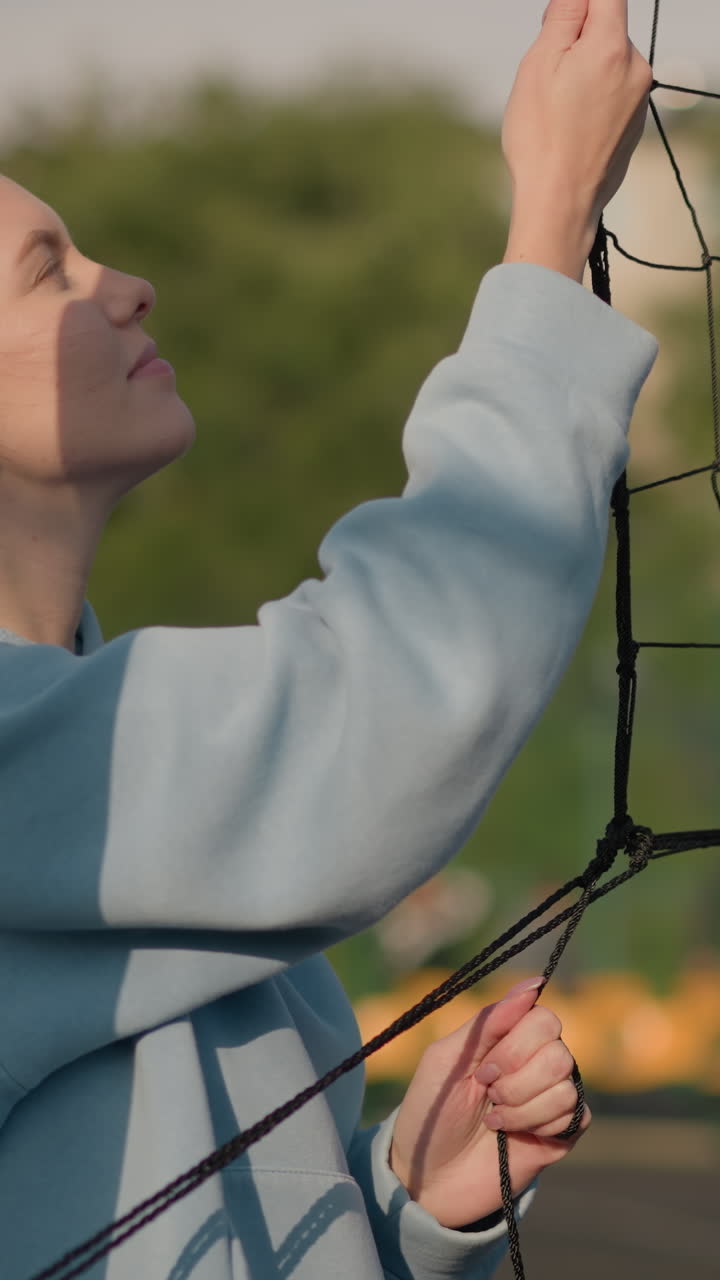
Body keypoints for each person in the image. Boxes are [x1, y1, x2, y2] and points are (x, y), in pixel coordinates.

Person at [0, 1, 656, 1277]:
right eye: (45, 269)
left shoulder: (119, 778)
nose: (124, 287)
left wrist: (404, 1202)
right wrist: (551, 225)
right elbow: (386, 703)